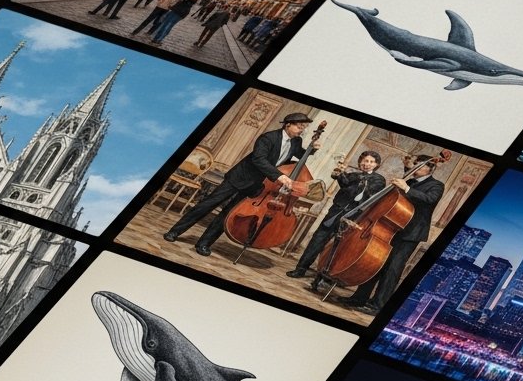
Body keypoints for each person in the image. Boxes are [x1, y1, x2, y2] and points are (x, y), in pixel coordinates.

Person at [163, 113, 317, 257]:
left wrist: (312, 150)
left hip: (258, 185)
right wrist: (280, 176)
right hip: (240, 177)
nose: (301, 131)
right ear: (287, 125)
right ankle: (175, 232)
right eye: (299, 127)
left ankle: (204, 243)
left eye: (303, 128)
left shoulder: (296, 141)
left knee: (229, 213)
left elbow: (300, 155)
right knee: (207, 204)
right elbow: (258, 159)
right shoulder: (268, 138)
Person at [337, 153, 445, 314]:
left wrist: (406, 188)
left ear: (431, 169)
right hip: (391, 226)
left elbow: (429, 199)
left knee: (392, 268)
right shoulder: (409, 180)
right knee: (376, 262)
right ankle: (359, 298)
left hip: (410, 234)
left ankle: (377, 305)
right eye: (416, 164)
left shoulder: (436, 185)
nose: (416, 168)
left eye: (420, 166)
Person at [286, 150, 385, 280]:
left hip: (353, 217)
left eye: (371, 162)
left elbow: (368, 193)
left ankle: (325, 276)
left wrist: (347, 176)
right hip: (335, 213)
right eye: (365, 161)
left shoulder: (379, 179)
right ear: (360, 162)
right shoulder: (353, 175)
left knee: (338, 248)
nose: (367, 164)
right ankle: (300, 269)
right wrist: (339, 173)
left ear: (376, 164)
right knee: (317, 240)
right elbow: (343, 183)